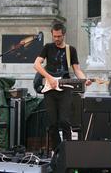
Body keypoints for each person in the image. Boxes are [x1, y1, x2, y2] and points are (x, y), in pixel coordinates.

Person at [33, 22, 91, 152]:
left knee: (65, 121)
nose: (57, 39)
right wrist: (49, 77)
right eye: (54, 36)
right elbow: (36, 65)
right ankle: (58, 151)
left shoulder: (71, 50)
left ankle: (69, 151)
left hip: (66, 88)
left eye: (59, 36)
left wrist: (84, 80)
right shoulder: (47, 47)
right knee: (52, 123)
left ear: (63, 35)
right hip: (50, 88)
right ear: (52, 34)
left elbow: (77, 70)